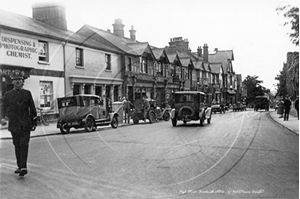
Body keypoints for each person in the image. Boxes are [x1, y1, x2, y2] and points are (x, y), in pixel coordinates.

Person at [1, 70, 37, 177]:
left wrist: (34, 121)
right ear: (12, 82)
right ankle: (20, 166)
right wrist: (1, 118)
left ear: (22, 82)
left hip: (26, 124)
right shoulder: (8, 95)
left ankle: (23, 166)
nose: (17, 82)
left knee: (24, 145)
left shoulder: (27, 93)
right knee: (17, 145)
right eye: (15, 80)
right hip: (14, 125)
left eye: (19, 80)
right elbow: (3, 108)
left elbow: (33, 108)